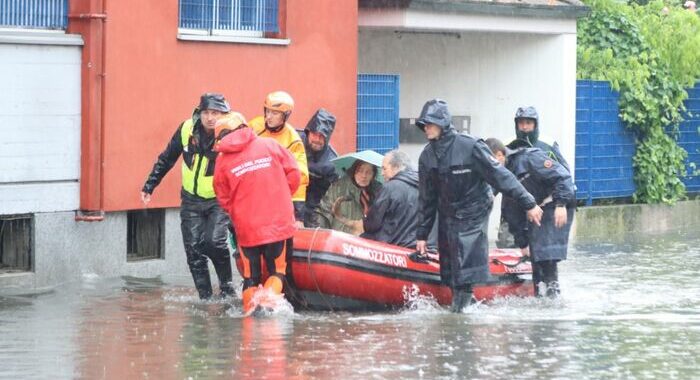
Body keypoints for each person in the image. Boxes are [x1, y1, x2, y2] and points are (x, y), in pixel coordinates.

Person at [414, 99, 543, 313]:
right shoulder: (427, 156)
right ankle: (467, 302)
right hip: (448, 212)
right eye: (424, 124)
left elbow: (501, 176)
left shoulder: (470, 146)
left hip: (475, 208)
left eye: (430, 123)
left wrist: (529, 202)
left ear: (443, 123)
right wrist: (422, 234)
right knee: (451, 268)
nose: (426, 128)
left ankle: (460, 311)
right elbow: (426, 198)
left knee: (465, 259)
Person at [141, 93, 235, 300]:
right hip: (191, 200)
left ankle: (228, 290)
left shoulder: (231, 134)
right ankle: (205, 297)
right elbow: (167, 158)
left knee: (214, 242)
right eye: (207, 113)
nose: (211, 118)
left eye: (216, 113)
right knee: (193, 250)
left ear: (225, 115)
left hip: (219, 200)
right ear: (199, 113)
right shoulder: (186, 129)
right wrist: (150, 184)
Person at [212, 113, 301, 314]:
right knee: (278, 271)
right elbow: (294, 173)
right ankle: (268, 305)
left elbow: (223, 197)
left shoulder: (222, 162)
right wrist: (281, 197)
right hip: (278, 224)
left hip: (247, 229)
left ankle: (250, 316)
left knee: (250, 277)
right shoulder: (270, 145)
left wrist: (240, 212)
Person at [488, 138, 576, 298]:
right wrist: (523, 243)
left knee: (546, 253)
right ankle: (541, 295)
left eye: (491, 160)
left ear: (500, 155)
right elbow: (510, 211)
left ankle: (553, 296)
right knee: (536, 255)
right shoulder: (501, 175)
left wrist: (561, 204)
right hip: (536, 208)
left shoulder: (529, 158)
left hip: (557, 202)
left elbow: (562, 177)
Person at [249, 91, 309, 227]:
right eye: (267, 111)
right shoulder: (254, 126)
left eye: (274, 113)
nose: (268, 117)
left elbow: (300, 178)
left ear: (285, 116)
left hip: (275, 200)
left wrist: (298, 217)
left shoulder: (293, 141)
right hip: (252, 196)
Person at [361, 150, 419, 248]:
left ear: (396, 167)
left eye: (384, 169)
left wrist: (366, 217)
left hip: (390, 248)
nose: (382, 173)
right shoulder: (423, 187)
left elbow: (372, 225)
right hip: (415, 247)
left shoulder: (389, 188)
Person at [314, 158, 382, 235]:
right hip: (342, 239)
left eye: (368, 172)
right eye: (360, 171)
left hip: (366, 240)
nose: (364, 175)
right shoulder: (339, 187)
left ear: (373, 175)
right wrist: (322, 236)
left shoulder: (379, 192)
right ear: (354, 171)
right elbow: (323, 213)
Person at [297, 108, 339, 227]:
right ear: (308, 132)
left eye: (322, 136)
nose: (317, 139)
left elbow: (332, 196)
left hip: (312, 210)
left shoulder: (332, 163)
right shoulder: (294, 141)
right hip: (287, 201)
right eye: (315, 134)